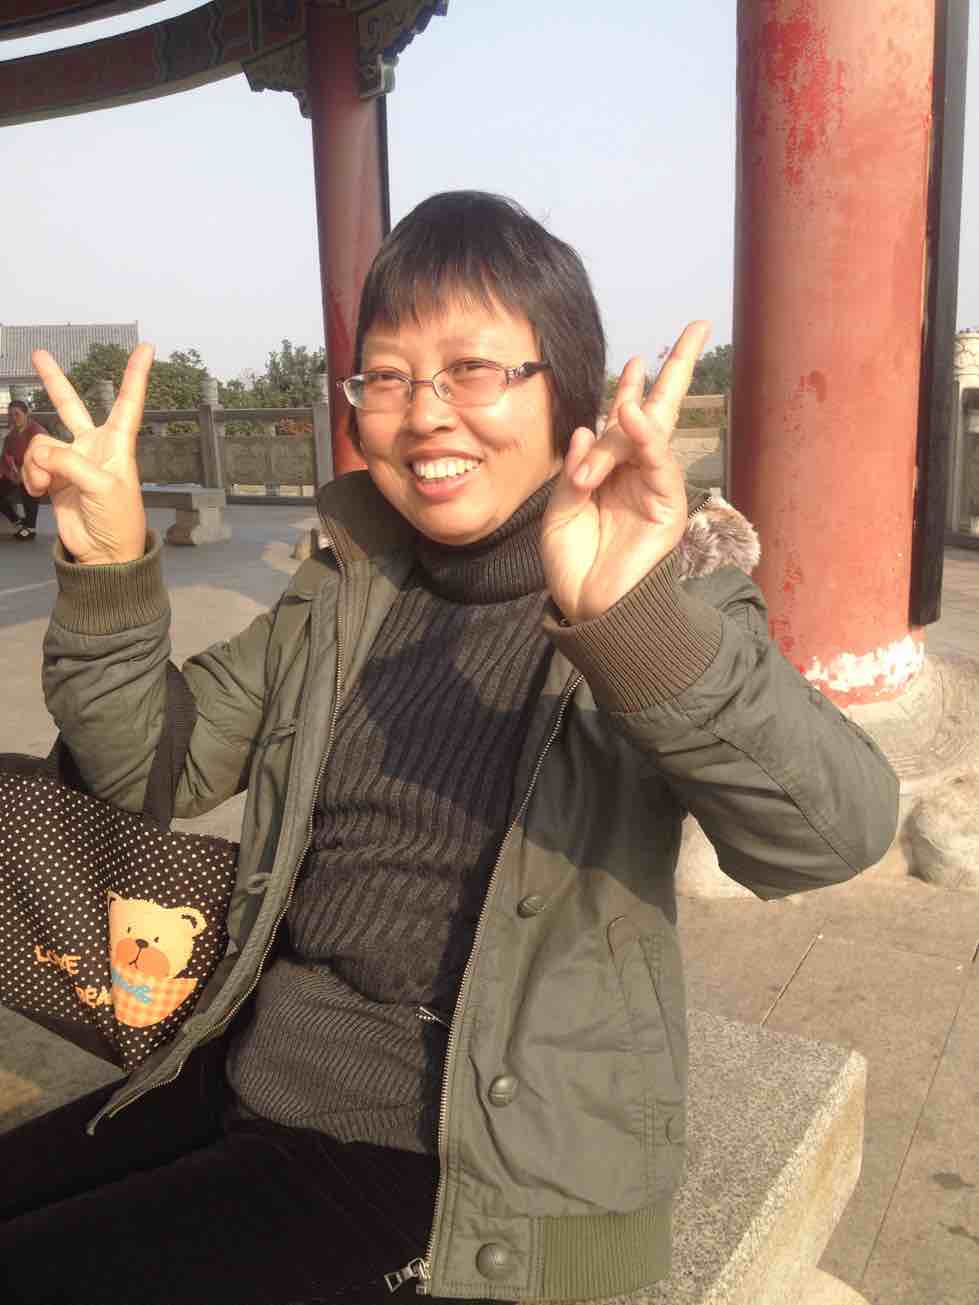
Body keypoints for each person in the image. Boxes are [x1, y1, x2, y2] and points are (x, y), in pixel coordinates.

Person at [2, 192, 899, 1305]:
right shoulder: (349, 590)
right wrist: (109, 568)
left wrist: (633, 620)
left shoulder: (657, 600)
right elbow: (156, 768)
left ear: (567, 391)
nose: (426, 414)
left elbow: (830, 836)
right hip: (255, 1063)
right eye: (386, 377)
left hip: (442, 1157)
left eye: (472, 370)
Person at [0, 399, 44, 539]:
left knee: (28, 485)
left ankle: (30, 528)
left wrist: (22, 474)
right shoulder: (12, 433)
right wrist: (8, 471)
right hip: (14, 472)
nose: (13, 418)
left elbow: (40, 457)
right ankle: (17, 521)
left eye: (17, 414)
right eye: (10, 415)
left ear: (26, 414)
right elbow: (6, 454)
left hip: (34, 472)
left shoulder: (37, 432)